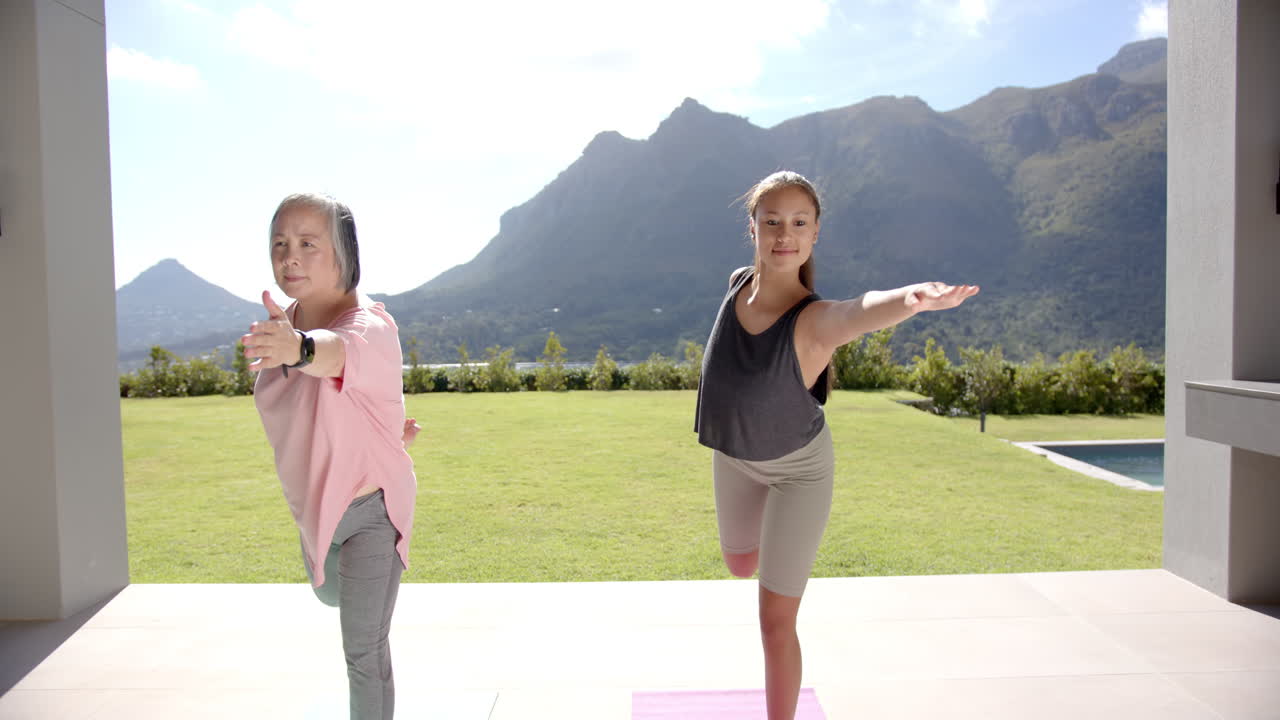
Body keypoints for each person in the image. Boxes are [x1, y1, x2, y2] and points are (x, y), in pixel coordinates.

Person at [694, 171, 979, 719]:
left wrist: (911, 298)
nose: (784, 234)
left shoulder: (816, 321)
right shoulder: (735, 284)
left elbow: (861, 309)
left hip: (799, 472)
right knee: (737, 564)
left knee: (775, 623)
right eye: (772, 220)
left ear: (815, 233)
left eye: (799, 223)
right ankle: (758, 549)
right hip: (732, 456)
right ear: (751, 226)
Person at [243, 192, 418, 720]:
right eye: (280, 243)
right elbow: (312, 408)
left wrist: (297, 349)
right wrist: (377, 432)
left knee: (363, 651)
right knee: (328, 596)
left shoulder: (369, 326)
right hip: (315, 511)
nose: (289, 256)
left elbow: (335, 353)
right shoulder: (283, 323)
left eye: (307, 244)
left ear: (343, 252)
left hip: (372, 510)